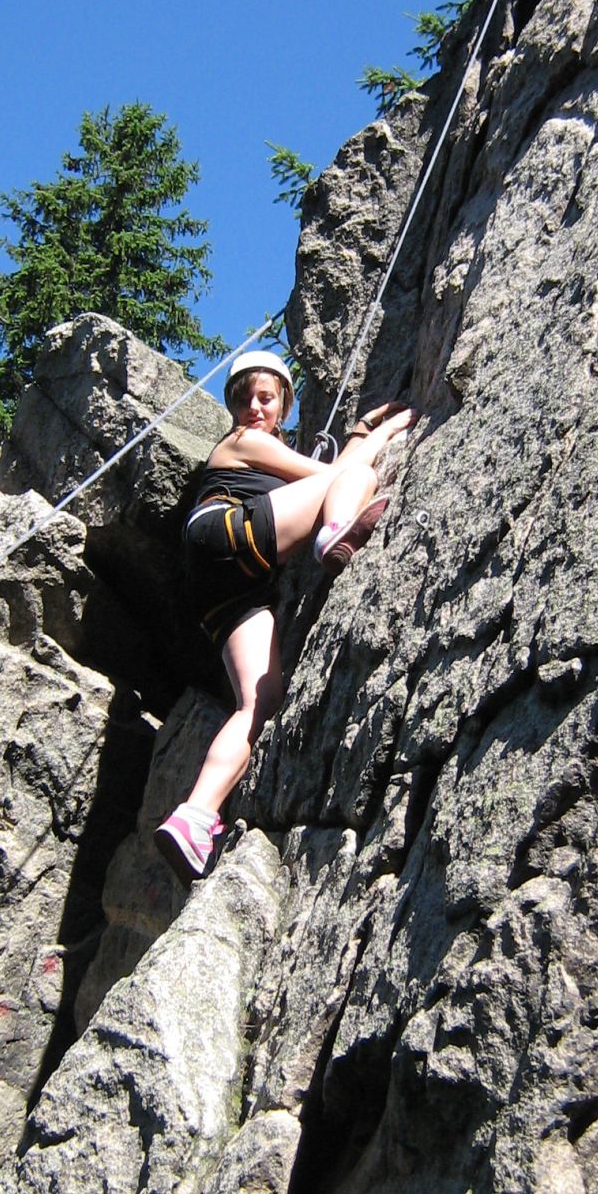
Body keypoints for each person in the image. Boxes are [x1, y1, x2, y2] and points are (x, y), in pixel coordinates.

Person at [154, 350, 414, 885]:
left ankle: (195, 815)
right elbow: (338, 475)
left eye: (265, 398)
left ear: (284, 406)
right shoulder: (243, 441)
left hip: (224, 589)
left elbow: (317, 480)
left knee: (260, 700)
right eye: (244, 399)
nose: (254, 408)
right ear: (233, 408)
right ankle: (335, 533)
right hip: (225, 535)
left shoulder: (265, 451)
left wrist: (362, 430)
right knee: (358, 475)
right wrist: (385, 436)